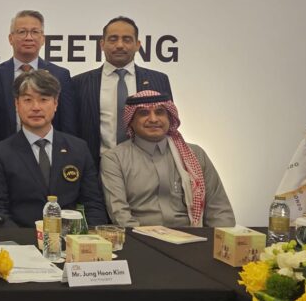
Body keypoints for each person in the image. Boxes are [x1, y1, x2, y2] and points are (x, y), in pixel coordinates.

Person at [0, 70, 106, 228]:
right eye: (28, 100)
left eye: (43, 99)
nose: (36, 107)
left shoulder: (78, 148)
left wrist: (83, 239)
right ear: (17, 104)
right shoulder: (0, 153)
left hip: (71, 238)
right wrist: (25, 240)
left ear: (55, 103)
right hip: (21, 239)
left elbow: (93, 204)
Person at [101, 91, 235, 227]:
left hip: (191, 234)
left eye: (159, 112)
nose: (153, 119)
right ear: (131, 121)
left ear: (169, 118)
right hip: (139, 235)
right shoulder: (114, 159)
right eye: (144, 113)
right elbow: (120, 214)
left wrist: (223, 237)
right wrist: (140, 238)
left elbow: (219, 208)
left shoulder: (195, 154)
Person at [72, 16, 172, 168]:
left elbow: (167, 126)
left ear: (137, 45)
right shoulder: (79, 83)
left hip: (148, 166)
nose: (119, 45)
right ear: (102, 44)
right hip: (94, 168)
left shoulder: (158, 80)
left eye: (127, 39)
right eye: (113, 39)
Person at [0, 9, 77, 140]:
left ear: (43, 39)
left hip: (48, 149)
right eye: (22, 32)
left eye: (35, 32)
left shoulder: (60, 75)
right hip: (3, 148)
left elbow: (68, 123)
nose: (29, 37)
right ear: (11, 38)